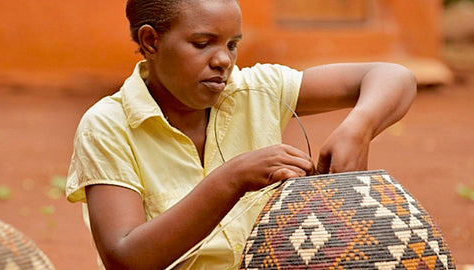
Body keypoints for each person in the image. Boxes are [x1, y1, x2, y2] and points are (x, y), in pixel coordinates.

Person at [65, 0, 417, 269]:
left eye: (232, 44)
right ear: (151, 41)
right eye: (203, 43)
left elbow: (393, 77)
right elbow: (125, 257)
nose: (223, 60)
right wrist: (232, 179)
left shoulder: (255, 90)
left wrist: (359, 127)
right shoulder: (109, 125)